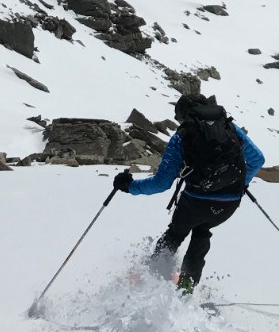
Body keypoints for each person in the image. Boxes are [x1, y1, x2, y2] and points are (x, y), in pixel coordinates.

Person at [113, 92, 265, 294]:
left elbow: (162, 183)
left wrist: (129, 186)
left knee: (175, 235)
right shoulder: (230, 127)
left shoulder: (182, 137)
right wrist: (239, 184)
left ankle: (151, 279)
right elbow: (257, 160)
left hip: (195, 202)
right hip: (229, 204)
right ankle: (187, 287)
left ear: (184, 115)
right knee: (202, 231)